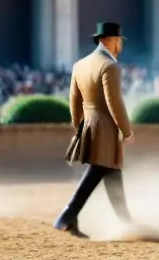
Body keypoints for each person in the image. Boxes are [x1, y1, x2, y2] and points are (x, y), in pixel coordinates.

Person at [53, 21, 135, 238]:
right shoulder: (110, 66)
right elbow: (114, 101)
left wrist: (79, 126)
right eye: (119, 41)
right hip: (106, 127)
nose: (120, 46)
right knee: (99, 170)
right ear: (109, 40)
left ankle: (125, 221)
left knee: (110, 171)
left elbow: (74, 100)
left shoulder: (80, 64)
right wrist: (126, 130)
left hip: (89, 124)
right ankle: (67, 215)